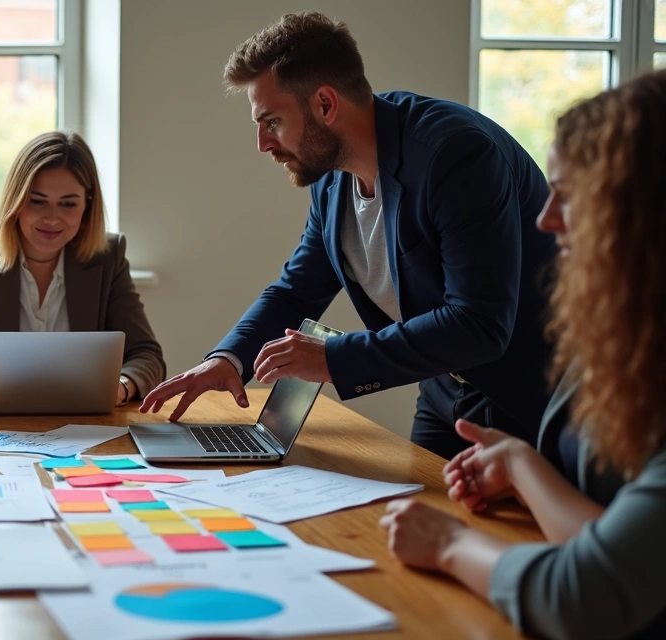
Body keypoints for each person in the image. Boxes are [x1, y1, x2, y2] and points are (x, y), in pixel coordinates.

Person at [139, 12, 557, 460]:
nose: (263, 143)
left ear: (325, 104)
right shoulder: (331, 178)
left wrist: (331, 357)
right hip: (444, 391)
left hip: (529, 400)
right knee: (413, 505)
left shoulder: (455, 155)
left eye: (272, 122)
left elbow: (478, 324)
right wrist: (228, 359)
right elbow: (297, 291)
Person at [381, 69, 666, 640]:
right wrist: (521, 466)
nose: (545, 217)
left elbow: (586, 596)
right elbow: (616, 545)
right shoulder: (631, 337)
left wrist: (449, 542)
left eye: (570, 194)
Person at [0, 130, 165, 406]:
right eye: (37, 201)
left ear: (87, 206)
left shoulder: (108, 257)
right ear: (16, 201)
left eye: (68, 204)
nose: (52, 218)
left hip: (87, 421)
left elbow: (147, 356)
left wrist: (119, 388)